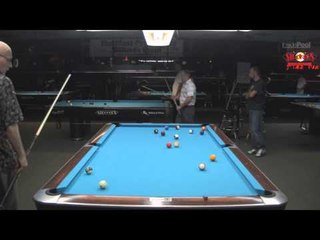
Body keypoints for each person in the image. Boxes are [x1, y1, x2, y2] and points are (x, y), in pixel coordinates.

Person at [0, 41, 28, 209]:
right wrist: (22, 156)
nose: (10, 65)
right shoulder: (3, 83)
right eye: (8, 60)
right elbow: (10, 125)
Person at [243, 66, 267, 157]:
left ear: (255, 73)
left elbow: (251, 95)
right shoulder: (253, 83)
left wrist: (248, 94)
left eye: (250, 72)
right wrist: (248, 94)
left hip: (257, 109)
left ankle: (262, 148)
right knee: (253, 129)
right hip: (252, 108)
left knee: (255, 129)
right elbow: (248, 93)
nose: (249, 74)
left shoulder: (260, 83)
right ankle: (255, 147)